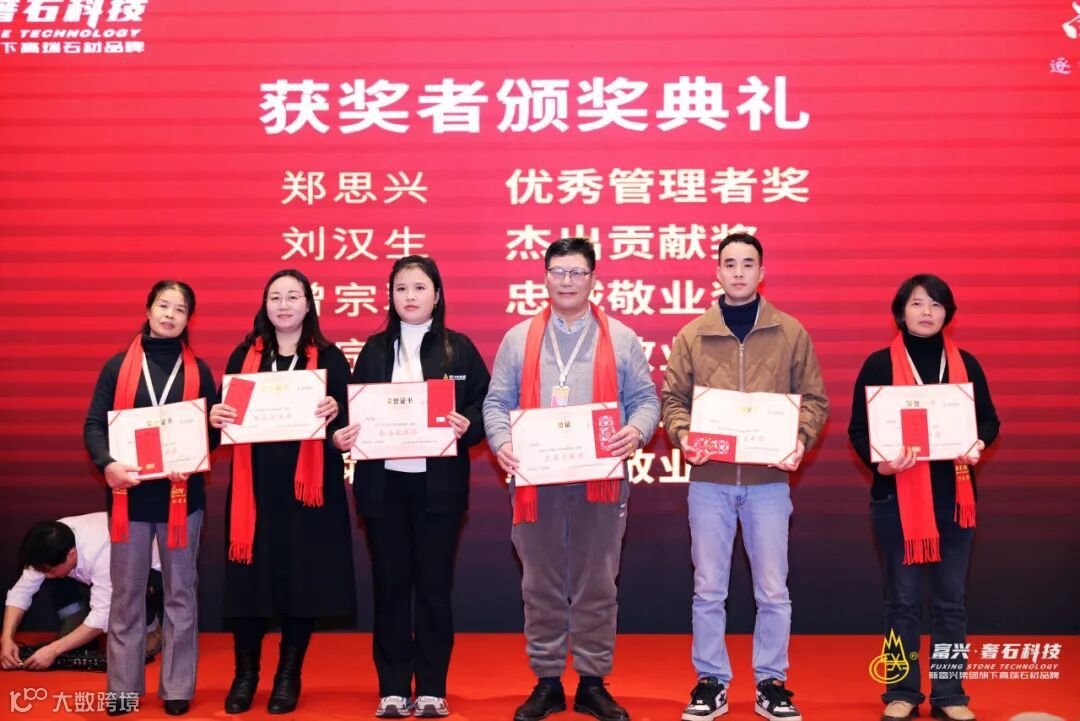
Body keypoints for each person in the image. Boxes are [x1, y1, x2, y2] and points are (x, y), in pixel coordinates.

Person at [483, 238, 660, 721]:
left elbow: (646, 400)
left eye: (577, 272)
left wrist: (636, 430)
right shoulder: (518, 338)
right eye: (558, 272)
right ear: (545, 277)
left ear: (593, 279)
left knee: (597, 584)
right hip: (535, 482)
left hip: (600, 481)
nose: (567, 281)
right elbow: (496, 403)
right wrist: (502, 443)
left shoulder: (620, 337)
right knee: (539, 584)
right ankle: (546, 682)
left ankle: (591, 683)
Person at [661, 233, 828, 721]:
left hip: (768, 481)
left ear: (762, 272)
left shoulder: (790, 332)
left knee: (773, 590)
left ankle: (771, 682)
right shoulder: (693, 334)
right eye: (729, 263)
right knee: (708, 589)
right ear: (717, 272)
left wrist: (801, 439)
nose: (738, 272)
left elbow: (814, 400)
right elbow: (672, 400)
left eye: (747, 263)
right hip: (709, 480)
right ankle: (710, 681)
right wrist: (683, 434)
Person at [334, 256, 490, 718]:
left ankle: (432, 689)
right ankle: (393, 688)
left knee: (434, 589)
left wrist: (469, 424)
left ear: (437, 295)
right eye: (401, 288)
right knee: (391, 588)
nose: (410, 296)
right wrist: (343, 434)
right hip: (384, 489)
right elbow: (353, 411)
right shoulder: (374, 349)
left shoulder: (459, 349)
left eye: (420, 287)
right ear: (391, 296)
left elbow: (486, 405)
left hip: (438, 490)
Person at [848, 274, 999, 721]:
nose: (927, 312)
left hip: (954, 499)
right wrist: (882, 464)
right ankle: (902, 691)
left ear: (948, 313)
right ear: (901, 311)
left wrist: (977, 443)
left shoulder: (966, 364)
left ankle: (950, 695)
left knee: (951, 602)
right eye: (917, 303)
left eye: (936, 304)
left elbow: (989, 420)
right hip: (896, 500)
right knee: (902, 603)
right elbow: (859, 430)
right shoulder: (878, 365)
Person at [210, 269, 355, 715]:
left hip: (309, 493)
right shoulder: (244, 355)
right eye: (276, 297)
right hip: (254, 491)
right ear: (265, 305)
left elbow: (347, 428)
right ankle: (245, 675)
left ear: (309, 304)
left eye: (294, 296)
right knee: (249, 584)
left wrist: (336, 416)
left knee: (301, 582)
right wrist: (216, 415)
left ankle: (288, 676)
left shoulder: (330, 359)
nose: (284, 304)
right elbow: (222, 421)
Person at [83, 280, 217, 716]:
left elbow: (211, 436)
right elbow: (94, 426)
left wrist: (202, 443)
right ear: (148, 309)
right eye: (164, 305)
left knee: (181, 595)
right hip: (130, 500)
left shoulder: (200, 372)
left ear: (189, 318)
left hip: (182, 499)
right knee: (127, 595)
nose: (170, 315)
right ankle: (123, 688)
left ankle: (177, 688)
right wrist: (107, 464)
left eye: (180, 309)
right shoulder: (117, 367)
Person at [2, 514, 163, 672]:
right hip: (98, 568)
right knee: (53, 576)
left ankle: (152, 629)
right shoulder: (51, 543)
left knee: (126, 601)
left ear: (71, 554)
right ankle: (75, 625)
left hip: (153, 574)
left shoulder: (104, 551)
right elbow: (21, 592)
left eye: (50, 570)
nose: (47, 576)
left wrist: (54, 649)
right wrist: (7, 638)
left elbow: (101, 616)